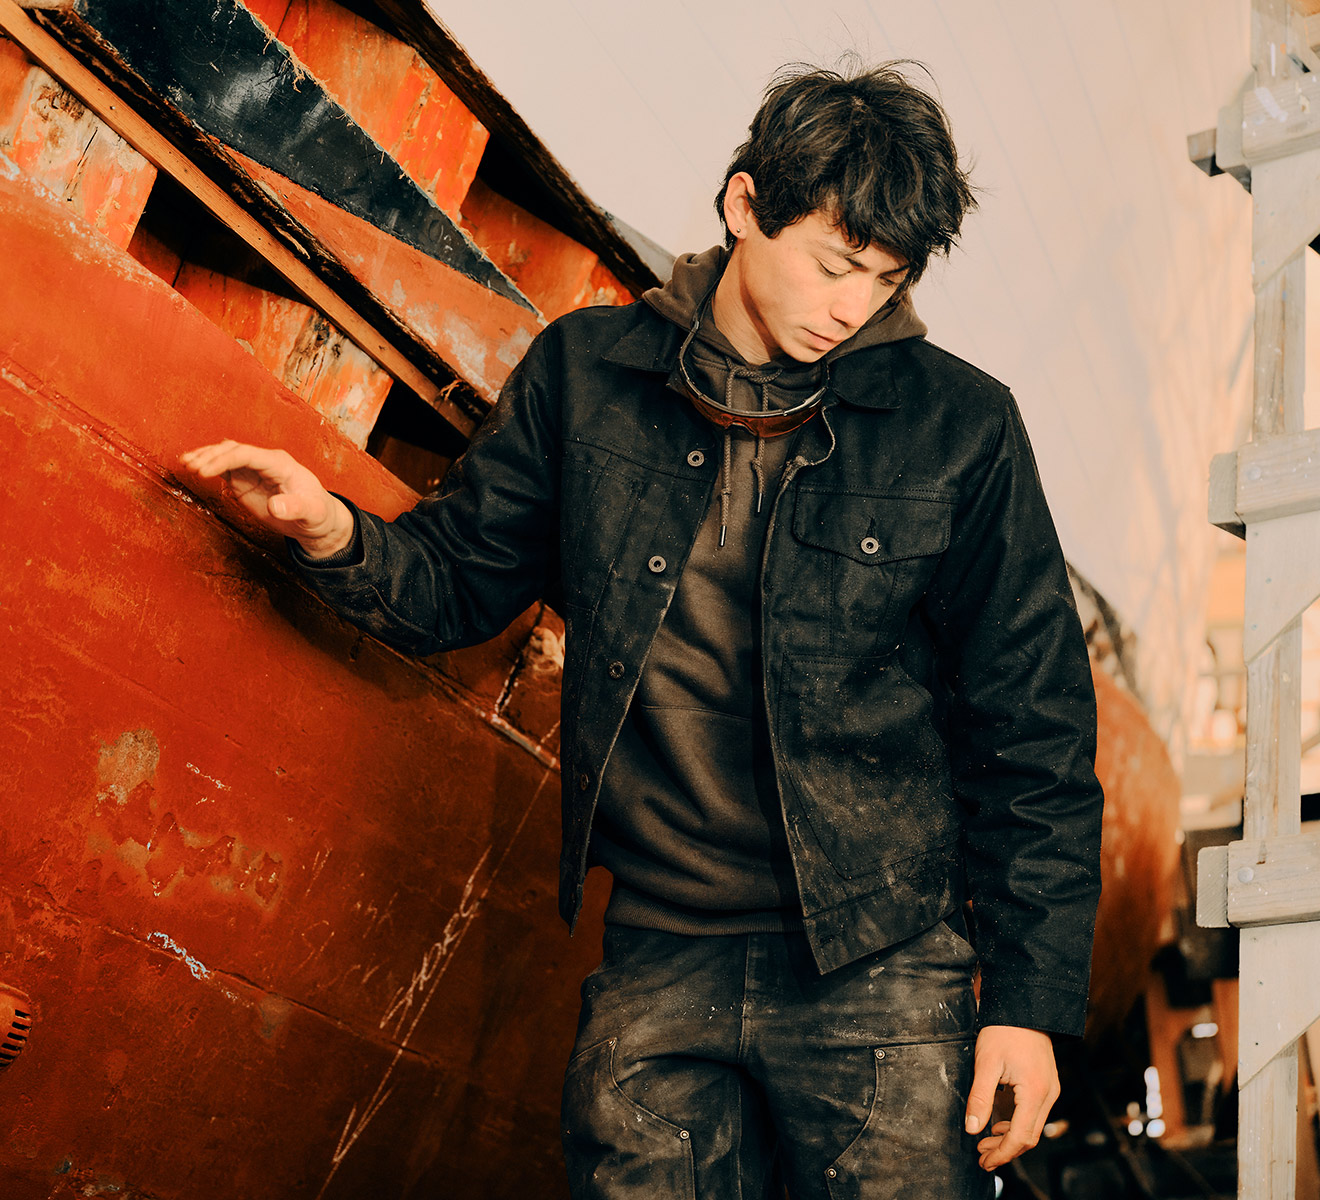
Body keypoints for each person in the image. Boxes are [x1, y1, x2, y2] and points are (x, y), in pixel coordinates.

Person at [183, 61, 1103, 1200]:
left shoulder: (960, 426)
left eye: (884, 278)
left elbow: (1035, 733)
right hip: (660, 957)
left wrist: (1027, 1008)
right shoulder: (585, 374)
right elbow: (460, 580)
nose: (851, 307)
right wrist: (330, 530)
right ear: (742, 205)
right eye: (831, 264)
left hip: (881, 970)